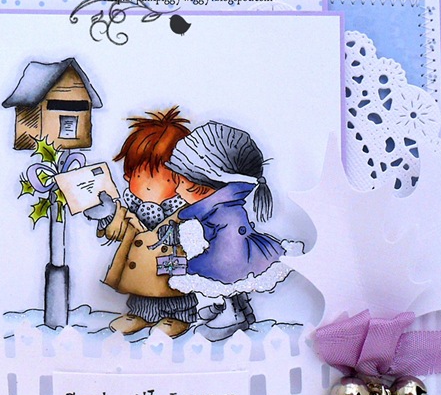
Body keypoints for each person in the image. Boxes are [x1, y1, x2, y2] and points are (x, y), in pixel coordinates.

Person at [165, 121, 295, 341]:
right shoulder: (217, 207)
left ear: (200, 186)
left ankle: (231, 314)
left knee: (228, 282)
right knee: (233, 282)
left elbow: (227, 258)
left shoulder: (224, 214)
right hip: (237, 254)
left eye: (180, 183)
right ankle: (242, 308)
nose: (176, 190)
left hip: (231, 259)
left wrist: (188, 265)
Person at [84, 107, 197, 338]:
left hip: (172, 265)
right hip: (139, 272)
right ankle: (142, 314)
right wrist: (108, 215)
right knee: (141, 287)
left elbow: (194, 237)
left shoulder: (186, 211)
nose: (148, 185)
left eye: (162, 178)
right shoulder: (131, 208)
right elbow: (119, 230)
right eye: (139, 175)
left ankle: (178, 317)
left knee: (174, 292)